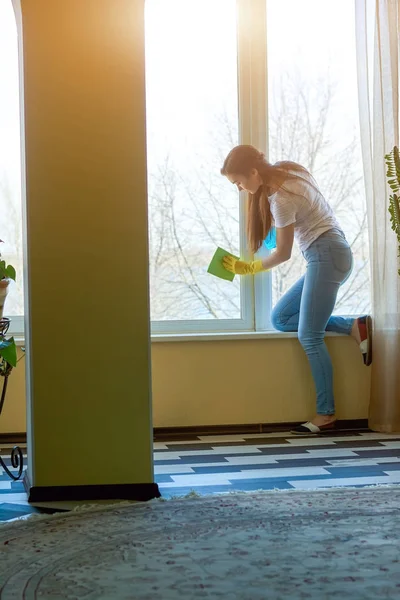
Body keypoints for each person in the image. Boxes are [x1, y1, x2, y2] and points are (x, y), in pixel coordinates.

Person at [220, 144, 372, 435]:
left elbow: (283, 254)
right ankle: (354, 325)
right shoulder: (289, 171)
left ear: (253, 172)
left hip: (325, 254)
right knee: (281, 318)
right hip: (328, 252)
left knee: (309, 336)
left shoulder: (281, 198)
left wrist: (247, 268)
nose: (239, 188)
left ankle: (326, 414)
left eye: (238, 182)